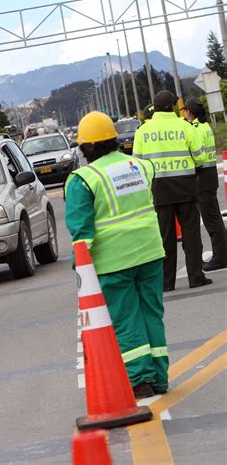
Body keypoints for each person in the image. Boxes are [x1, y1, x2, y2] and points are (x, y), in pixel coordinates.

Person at [65, 111, 169, 398]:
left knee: (126, 319)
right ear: (114, 139)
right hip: (150, 253)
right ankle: (160, 377)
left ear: (85, 147)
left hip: (113, 263)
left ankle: (140, 380)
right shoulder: (140, 166)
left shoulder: (83, 180)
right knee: (151, 314)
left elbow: (81, 234)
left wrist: (82, 273)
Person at [133, 90, 210, 291]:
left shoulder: (142, 131)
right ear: (174, 106)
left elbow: (137, 164)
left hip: (159, 189)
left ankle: (167, 282)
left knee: (164, 237)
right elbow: (200, 157)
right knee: (191, 233)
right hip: (185, 186)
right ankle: (196, 277)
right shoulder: (184, 126)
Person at [183, 97, 226, 271]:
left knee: (211, 219)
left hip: (202, 175)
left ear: (190, 112)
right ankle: (222, 254)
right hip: (209, 175)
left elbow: (197, 154)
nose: (184, 113)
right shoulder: (205, 126)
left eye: (185, 111)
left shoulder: (196, 129)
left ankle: (220, 257)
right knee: (214, 216)